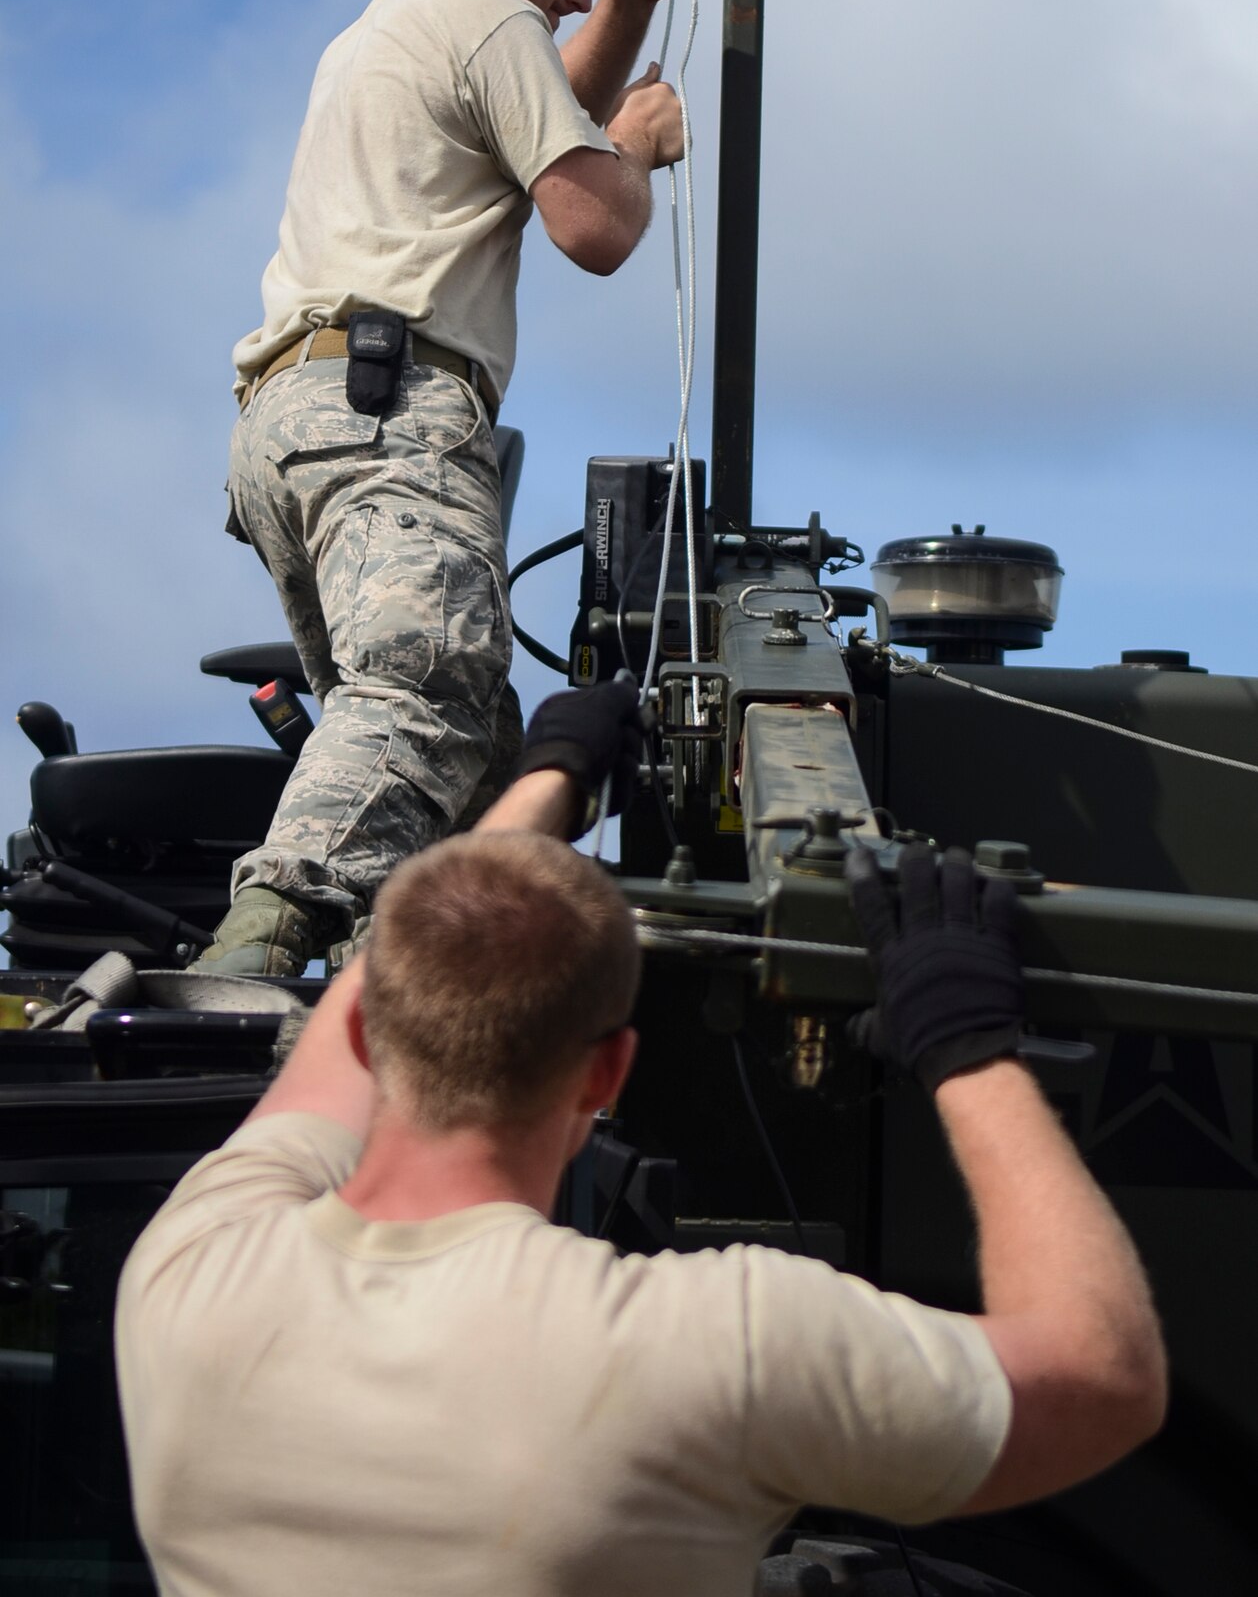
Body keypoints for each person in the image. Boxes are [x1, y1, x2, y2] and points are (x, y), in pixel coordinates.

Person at [117, 681, 1167, 1597]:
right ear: (608, 1074)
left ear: (363, 1032)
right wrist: (966, 1041)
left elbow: (372, 985)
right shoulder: (707, 1345)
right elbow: (1101, 1374)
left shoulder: (189, 1266)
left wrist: (550, 775)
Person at [199, 0, 694, 975]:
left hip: (296, 422)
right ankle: (252, 958)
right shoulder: (490, 20)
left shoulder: (391, 27)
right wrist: (637, 148)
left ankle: (400, 1001)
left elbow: (544, 121)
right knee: (430, 685)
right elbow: (593, 220)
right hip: (392, 415)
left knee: (469, 772)